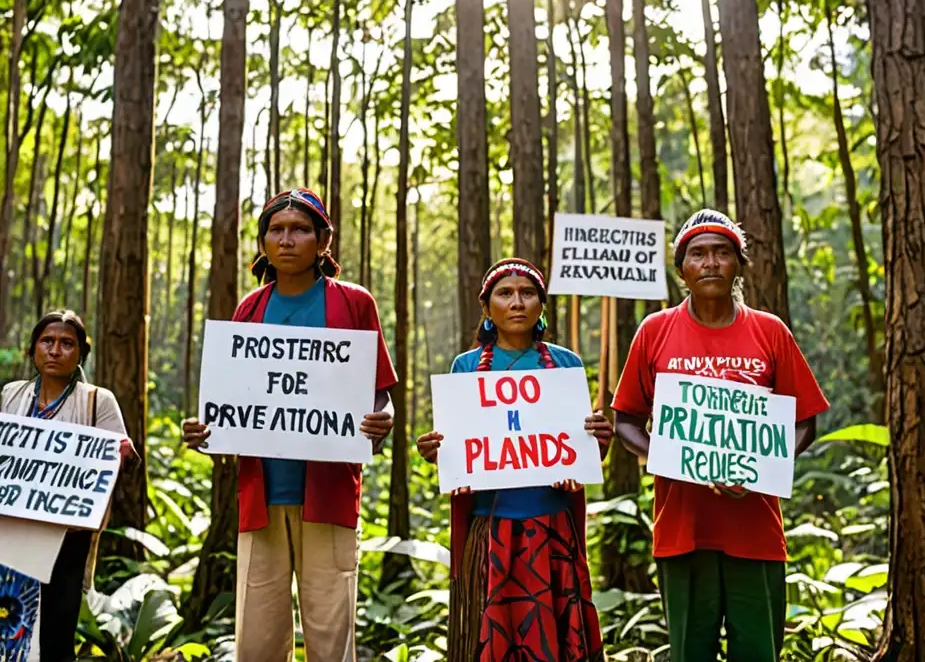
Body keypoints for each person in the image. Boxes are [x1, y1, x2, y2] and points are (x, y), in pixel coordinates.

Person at [182, 188, 397, 662]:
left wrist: (385, 420)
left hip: (330, 491)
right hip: (261, 494)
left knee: (330, 629)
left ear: (323, 240)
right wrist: (204, 430)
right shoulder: (250, 310)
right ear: (262, 243)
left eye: (299, 229)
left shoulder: (354, 303)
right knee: (258, 636)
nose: (286, 239)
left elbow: (380, 390)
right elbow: (229, 400)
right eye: (275, 230)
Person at [612, 210, 830, 661]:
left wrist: (761, 468)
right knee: (691, 652)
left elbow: (805, 420)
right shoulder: (654, 332)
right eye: (698, 254)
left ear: (738, 264)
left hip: (756, 529)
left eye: (722, 252)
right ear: (682, 269)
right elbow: (626, 421)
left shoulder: (770, 332)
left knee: (759, 651)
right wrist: (677, 459)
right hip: (682, 528)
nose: (710, 262)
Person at [416, 258, 610, 662]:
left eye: (527, 293)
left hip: (553, 524)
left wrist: (596, 444)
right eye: (505, 294)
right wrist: (439, 452)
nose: (517, 302)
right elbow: (462, 448)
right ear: (487, 309)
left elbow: (579, 448)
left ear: (542, 304)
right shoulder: (466, 367)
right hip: (490, 528)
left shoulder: (565, 364)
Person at [0, 310, 134, 662]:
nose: (55, 350)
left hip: (67, 536)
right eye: (47, 341)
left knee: (57, 629)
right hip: (12, 531)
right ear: (32, 351)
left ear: (80, 354)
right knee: (8, 621)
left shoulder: (97, 400)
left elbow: (120, 458)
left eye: (66, 344)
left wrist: (120, 454)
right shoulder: (12, 394)